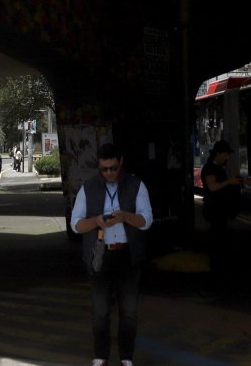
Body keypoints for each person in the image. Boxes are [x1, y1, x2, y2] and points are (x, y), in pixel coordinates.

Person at [70, 143, 153, 366]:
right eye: (104, 169)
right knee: (100, 311)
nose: (109, 173)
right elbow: (75, 225)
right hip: (100, 257)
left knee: (129, 311)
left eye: (113, 168)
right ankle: (100, 356)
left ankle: (126, 357)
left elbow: (146, 221)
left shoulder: (136, 185)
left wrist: (125, 217)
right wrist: (97, 221)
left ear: (121, 162)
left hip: (128, 256)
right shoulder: (88, 187)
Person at [201, 141, 241, 277]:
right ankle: (217, 270)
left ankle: (219, 268)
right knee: (218, 240)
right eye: (225, 155)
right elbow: (212, 187)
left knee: (220, 239)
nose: (227, 158)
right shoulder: (210, 168)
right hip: (214, 209)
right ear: (217, 154)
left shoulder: (217, 168)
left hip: (218, 209)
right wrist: (229, 182)